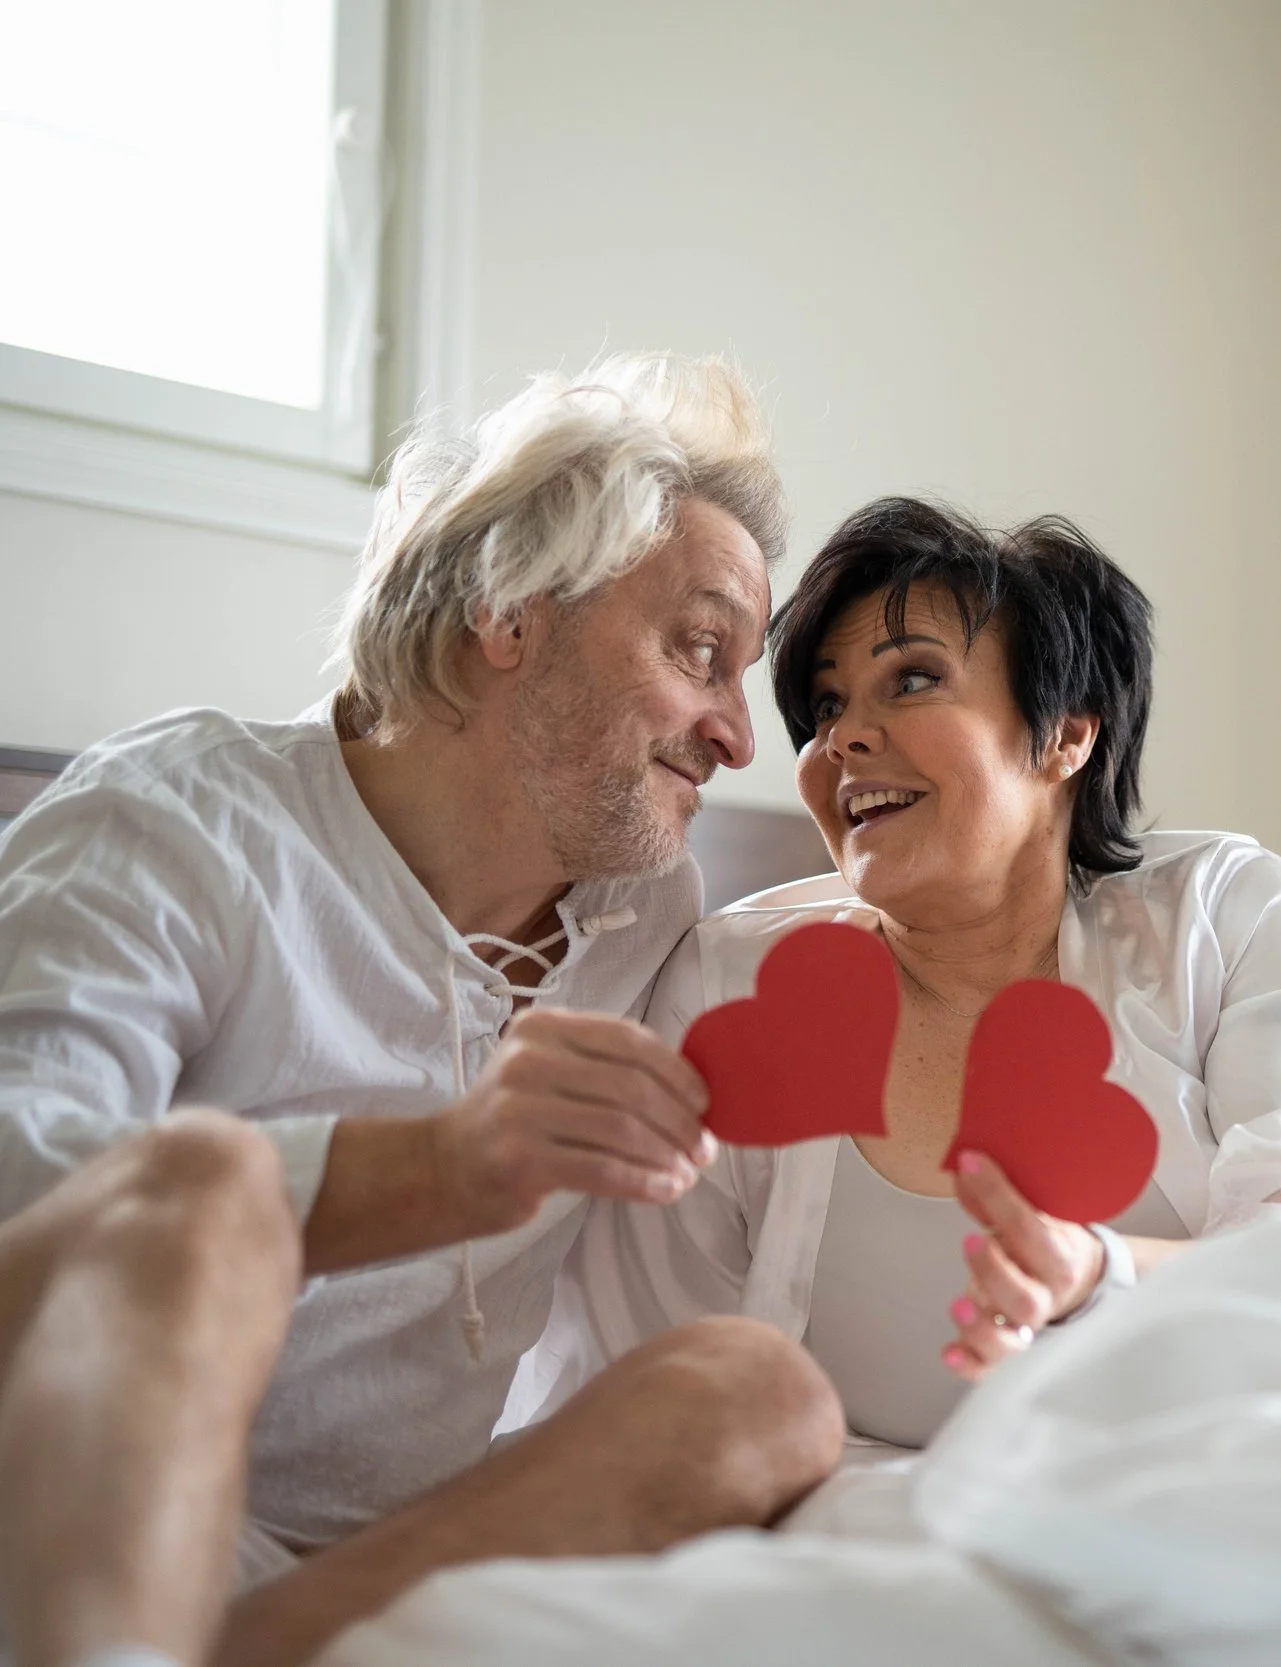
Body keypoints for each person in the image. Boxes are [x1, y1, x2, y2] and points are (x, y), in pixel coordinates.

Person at [0, 356, 846, 1667]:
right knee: (204, 1184)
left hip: (394, 1556)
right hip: (71, 1491)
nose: (742, 738)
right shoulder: (175, 818)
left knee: (761, 1395)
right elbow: (25, 1195)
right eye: (699, 649)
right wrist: (442, 1165)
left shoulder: (651, 915)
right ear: (511, 609)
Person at [515, 496, 1281, 1452]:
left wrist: (1099, 1271)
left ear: (1067, 735)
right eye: (827, 706)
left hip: (1225, 1477)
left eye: (912, 680)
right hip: (850, 1520)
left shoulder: (1230, 919)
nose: (843, 740)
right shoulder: (730, 981)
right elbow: (651, 1360)